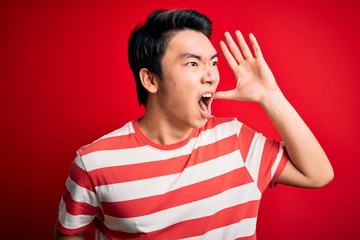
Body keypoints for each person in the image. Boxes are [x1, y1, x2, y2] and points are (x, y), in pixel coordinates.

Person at [54, 9, 334, 240]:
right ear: (151, 80)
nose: (211, 75)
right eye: (192, 64)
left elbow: (318, 174)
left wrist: (269, 96)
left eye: (212, 63)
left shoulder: (236, 140)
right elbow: (70, 234)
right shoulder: (94, 163)